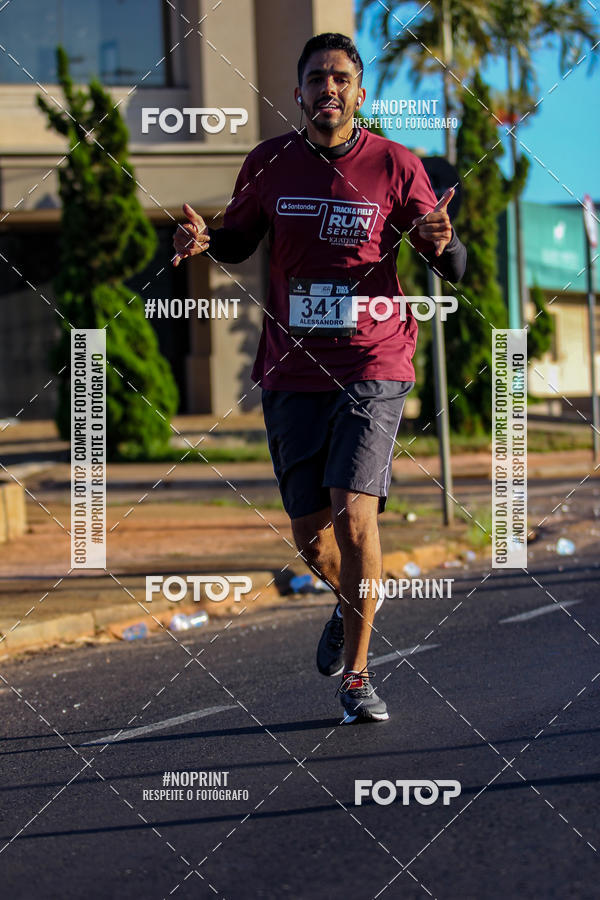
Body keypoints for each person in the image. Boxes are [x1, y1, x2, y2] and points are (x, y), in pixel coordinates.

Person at [173, 32, 466, 724]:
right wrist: (205, 242)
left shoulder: (396, 165)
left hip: (374, 361)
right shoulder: (269, 163)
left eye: (340, 77)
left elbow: (449, 264)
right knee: (311, 539)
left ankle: (359, 677)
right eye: (315, 78)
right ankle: (344, 602)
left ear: (359, 93)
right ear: (299, 92)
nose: (327, 88)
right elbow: (240, 239)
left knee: (354, 512)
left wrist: (443, 245)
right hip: (290, 369)